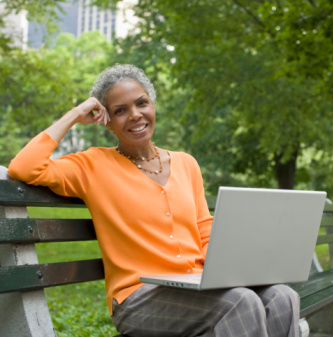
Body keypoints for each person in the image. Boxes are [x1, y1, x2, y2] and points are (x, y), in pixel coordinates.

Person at [7, 64, 300, 337]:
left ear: (153, 106)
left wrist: (225, 271)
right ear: (106, 120)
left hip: (200, 286)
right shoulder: (92, 165)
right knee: (241, 303)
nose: (135, 115)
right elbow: (25, 167)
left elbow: (203, 228)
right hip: (138, 298)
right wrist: (75, 113)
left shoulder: (186, 164)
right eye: (120, 110)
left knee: (283, 297)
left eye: (141, 103)